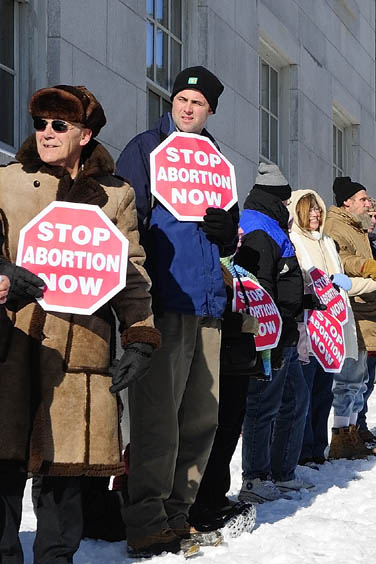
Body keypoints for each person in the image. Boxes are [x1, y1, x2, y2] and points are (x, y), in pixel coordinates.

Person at [1, 84, 160, 561]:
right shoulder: (6, 182)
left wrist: (140, 339)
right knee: (3, 471)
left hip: (82, 348)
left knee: (64, 484)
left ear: (85, 134)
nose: (45, 133)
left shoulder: (116, 196)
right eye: (40, 124)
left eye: (59, 125)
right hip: (13, 346)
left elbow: (132, 272)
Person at [117, 66, 239, 556]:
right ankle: (146, 518)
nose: (187, 107)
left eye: (198, 102)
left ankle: (177, 513)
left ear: (211, 110)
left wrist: (227, 235)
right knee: (156, 419)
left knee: (200, 418)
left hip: (208, 303)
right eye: (181, 99)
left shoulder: (216, 159)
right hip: (164, 299)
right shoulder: (145, 148)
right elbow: (123, 220)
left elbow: (224, 236)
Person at [234, 162, 311, 501]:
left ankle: (281, 472)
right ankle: (255, 477)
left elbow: (281, 280)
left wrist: (305, 299)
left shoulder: (270, 226)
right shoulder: (258, 229)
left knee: (295, 400)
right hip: (271, 336)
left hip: (285, 332)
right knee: (263, 405)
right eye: (285, 201)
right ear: (276, 200)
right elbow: (261, 286)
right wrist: (272, 337)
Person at [324, 176, 376, 457]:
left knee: (359, 382)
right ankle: (341, 438)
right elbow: (341, 261)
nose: (367, 204)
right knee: (347, 382)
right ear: (347, 202)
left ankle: (352, 434)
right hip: (351, 312)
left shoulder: (355, 227)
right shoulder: (335, 226)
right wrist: (371, 267)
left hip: (365, 311)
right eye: (362, 199)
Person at [287, 189, 362, 465]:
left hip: (332, 325)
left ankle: (318, 447)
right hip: (308, 327)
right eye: (310, 210)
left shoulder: (327, 241)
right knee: (304, 393)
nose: (316, 214)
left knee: (323, 391)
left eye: (318, 209)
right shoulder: (294, 240)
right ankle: (303, 451)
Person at [188, 255, 259, 539]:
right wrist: (241, 322)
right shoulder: (205, 260)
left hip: (235, 360)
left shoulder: (231, 266)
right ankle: (204, 502)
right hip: (215, 358)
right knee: (213, 433)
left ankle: (215, 496)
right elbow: (207, 310)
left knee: (228, 432)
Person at [356, 196, 376, 444]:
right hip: (359, 319)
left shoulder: (372, 244)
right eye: (371, 215)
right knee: (356, 382)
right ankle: (354, 428)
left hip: (375, 319)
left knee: (367, 381)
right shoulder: (357, 241)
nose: (374, 220)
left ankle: (361, 425)